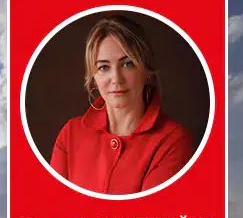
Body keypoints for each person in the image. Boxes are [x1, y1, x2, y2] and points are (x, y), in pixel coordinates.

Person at [48, 14, 194, 195]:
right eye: (103, 67)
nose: (116, 79)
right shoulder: (70, 134)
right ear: (93, 77)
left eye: (127, 64)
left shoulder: (174, 140)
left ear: (146, 69)